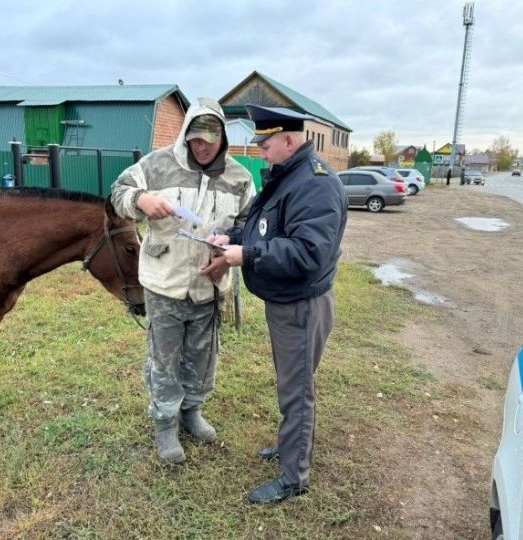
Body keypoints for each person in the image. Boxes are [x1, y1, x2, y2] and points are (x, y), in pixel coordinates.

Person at [202, 105, 348, 503]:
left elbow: (307, 253)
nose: (261, 152)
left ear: (288, 140)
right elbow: (265, 227)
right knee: (292, 384)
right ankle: (290, 448)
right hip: (287, 301)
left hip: (300, 305)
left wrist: (245, 255)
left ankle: (293, 476)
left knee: (296, 390)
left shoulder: (314, 184)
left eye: (265, 145)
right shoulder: (289, 176)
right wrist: (233, 237)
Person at [111, 98, 255, 464]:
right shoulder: (156, 164)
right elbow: (118, 193)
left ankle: (191, 411)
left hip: (209, 287)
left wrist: (230, 254)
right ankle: (165, 422)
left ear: (222, 137)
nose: (202, 146)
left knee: (202, 357)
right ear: (186, 135)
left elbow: (249, 227)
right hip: (165, 284)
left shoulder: (239, 178)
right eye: (195, 139)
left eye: (210, 139)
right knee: (165, 358)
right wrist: (141, 199)